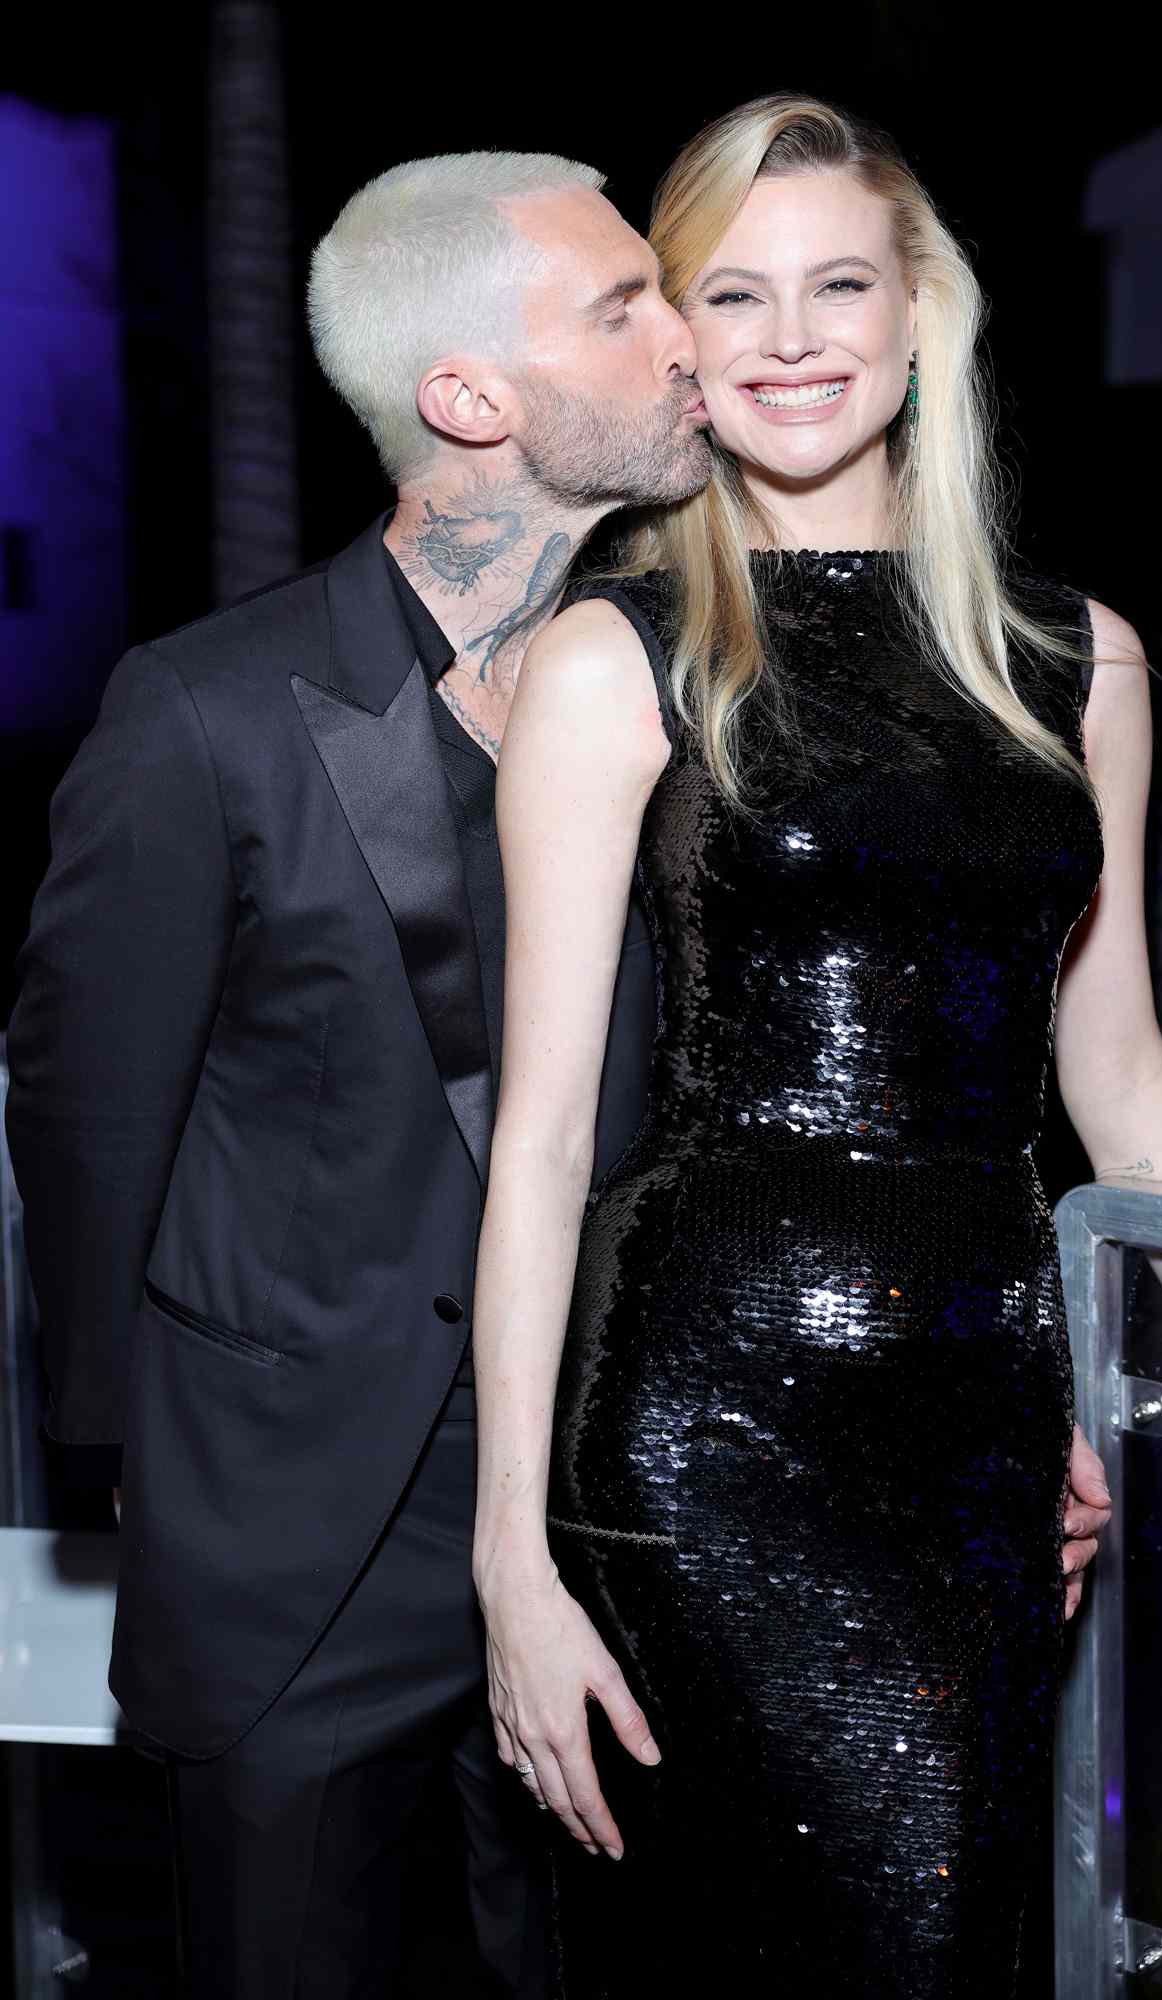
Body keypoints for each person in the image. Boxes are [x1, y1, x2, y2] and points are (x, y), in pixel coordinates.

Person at [469, 96, 1162, 1997]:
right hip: (702, 1419)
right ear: (678, 340)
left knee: (949, 1937)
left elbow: (1117, 1076)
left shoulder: (1074, 662)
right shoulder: (618, 659)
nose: (791, 339)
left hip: (980, 1407)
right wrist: (513, 1565)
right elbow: (536, 1145)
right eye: (736, 295)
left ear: (918, 310)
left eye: (837, 285)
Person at [4, 148, 715, 1999]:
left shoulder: (691, 694)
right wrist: (140, 1471)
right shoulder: (206, 712)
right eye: (622, 308)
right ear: (469, 398)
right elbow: (86, 1124)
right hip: (300, 1540)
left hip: (607, 1517)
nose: (688, 340)